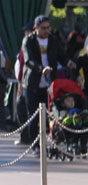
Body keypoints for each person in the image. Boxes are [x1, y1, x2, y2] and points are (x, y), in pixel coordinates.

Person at [20, 15, 72, 145]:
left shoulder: (53, 40)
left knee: (48, 114)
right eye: (43, 28)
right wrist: (41, 69)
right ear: (36, 28)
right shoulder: (28, 40)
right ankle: (34, 144)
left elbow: (61, 55)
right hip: (32, 83)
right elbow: (28, 60)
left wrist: (68, 62)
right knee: (33, 115)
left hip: (48, 84)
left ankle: (47, 142)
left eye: (48, 28)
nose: (46, 31)